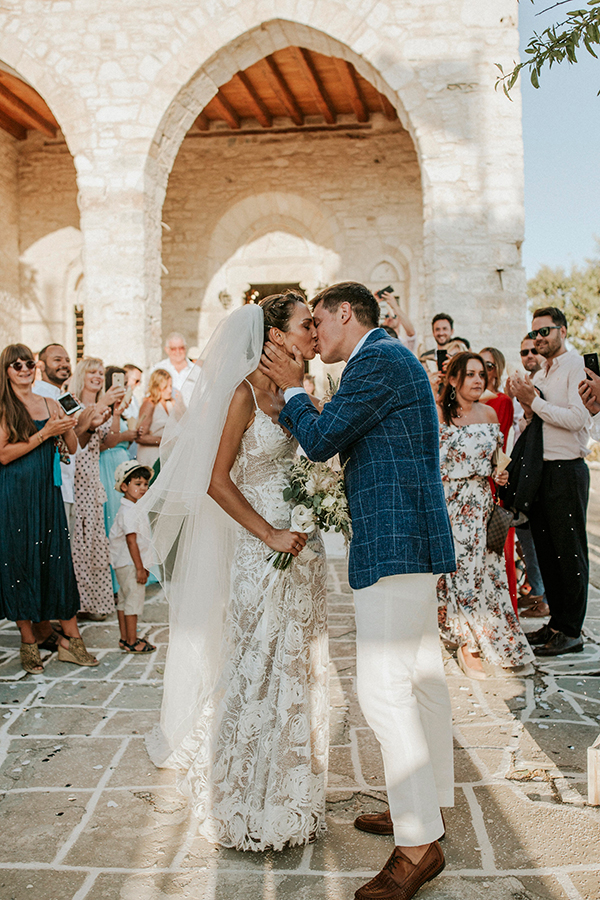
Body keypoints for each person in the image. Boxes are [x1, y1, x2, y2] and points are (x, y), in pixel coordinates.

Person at [260, 282, 455, 900]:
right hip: (409, 539)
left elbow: (320, 441)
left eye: (320, 321)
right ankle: (425, 810)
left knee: (383, 689)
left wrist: (290, 391)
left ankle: (418, 846)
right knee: (421, 680)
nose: (314, 336)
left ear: (348, 313)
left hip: (395, 542)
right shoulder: (388, 357)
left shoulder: (376, 359)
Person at [140, 295, 328, 852]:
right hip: (259, 544)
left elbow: (317, 457)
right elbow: (216, 480)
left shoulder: (299, 395)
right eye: (304, 325)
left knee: (296, 663)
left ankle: (292, 792)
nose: (314, 332)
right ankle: (240, 794)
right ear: (273, 335)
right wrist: (268, 533)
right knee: (255, 662)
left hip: (302, 545)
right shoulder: (242, 394)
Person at [436, 353, 535, 682]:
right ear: (453, 380)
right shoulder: (439, 414)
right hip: (450, 503)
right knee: (460, 572)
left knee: (486, 572)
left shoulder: (490, 413)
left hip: (481, 504)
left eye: (482, 374)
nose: (479, 380)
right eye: (470, 374)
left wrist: (499, 474)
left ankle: (497, 637)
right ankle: (468, 645)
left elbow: (496, 460)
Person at [0, 344, 98, 672]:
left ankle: (71, 642)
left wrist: (67, 426)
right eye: (16, 365)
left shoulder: (50, 402)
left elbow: (72, 447)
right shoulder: (4, 406)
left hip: (48, 491)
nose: (24, 369)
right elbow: (2, 454)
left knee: (56, 562)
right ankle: (29, 643)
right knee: (20, 564)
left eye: (28, 363)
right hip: (15, 493)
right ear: (7, 371)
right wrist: (45, 433)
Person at [510, 307, 589, 657]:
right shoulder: (543, 370)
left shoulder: (575, 367)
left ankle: (571, 631)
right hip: (541, 470)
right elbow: (536, 419)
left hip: (566, 470)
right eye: (536, 333)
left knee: (569, 553)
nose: (540, 338)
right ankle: (555, 623)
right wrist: (527, 406)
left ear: (563, 330)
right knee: (548, 552)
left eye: (546, 331)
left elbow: (577, 418)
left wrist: (534, 402)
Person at [70, 357, 123, 619]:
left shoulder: (99, 406)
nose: (98, 376)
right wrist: (101, 405)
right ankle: (77, 604)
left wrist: (114, 412)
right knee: (78, 543)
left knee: (94, 541)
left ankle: (95, 603)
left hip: (93, 477)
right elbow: (76, 440)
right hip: (74, 477)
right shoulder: (70, 401)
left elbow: (107, 441)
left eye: (101, 372)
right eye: (92, 371)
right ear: (82, 374)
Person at [507, 337, 547, 617]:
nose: (529, 354)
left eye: (534, 350)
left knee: (541, 538)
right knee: (526, 537)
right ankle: (535, 589)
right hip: (521, 471)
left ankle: (541, 594)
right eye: (524, 351)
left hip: (545, 470)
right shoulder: (520, 385)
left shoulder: (545, 384)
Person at [479, 346, 519, 614]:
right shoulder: (463, 402)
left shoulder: (501, 402)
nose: (484, 371)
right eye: (479, 365)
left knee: (499, 553)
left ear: (498, 370)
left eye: (489, 366)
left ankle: (507, 613)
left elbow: (499, 445)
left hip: (493, 480)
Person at [109, 460, 156, 653]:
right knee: (133, 602)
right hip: (130, 564)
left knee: (123, 599)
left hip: (123, 563)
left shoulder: (132, 508)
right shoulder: (129, 512)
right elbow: (131, 541)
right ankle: (132, 641)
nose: (143, 488)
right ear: (124, 486)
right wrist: (140, 568)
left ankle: (124, 638)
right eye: (138, 484)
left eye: (145, 484)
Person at [136, 369, 173, 468]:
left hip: (164, 455)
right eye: (166, 387)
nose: (170, 390)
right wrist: (164, 441)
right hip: (150, 455)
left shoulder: (169, 404)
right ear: (157, 386)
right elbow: (140, 436)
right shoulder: (149, 404)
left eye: (171, 386)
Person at [150, 332, 194, 399]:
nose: (178, 352)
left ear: (185, 348)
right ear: (167, 350)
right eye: (173, 349)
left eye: (181, 348)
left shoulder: (196, 370)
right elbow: (150, 394)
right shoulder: (158, 368)